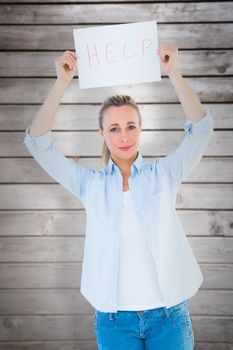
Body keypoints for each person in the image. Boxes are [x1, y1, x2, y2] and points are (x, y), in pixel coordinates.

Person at [23, 44, 214, 350]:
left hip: (169, 318)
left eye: (130, 126)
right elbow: (37, 144)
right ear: (102, 134)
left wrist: (173, 72)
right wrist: (61, 82)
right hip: (114, 322)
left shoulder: (163, 174)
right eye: (114, 128)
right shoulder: (90, 184)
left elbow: (202, 130)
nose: (124, 136)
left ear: (141, 129)